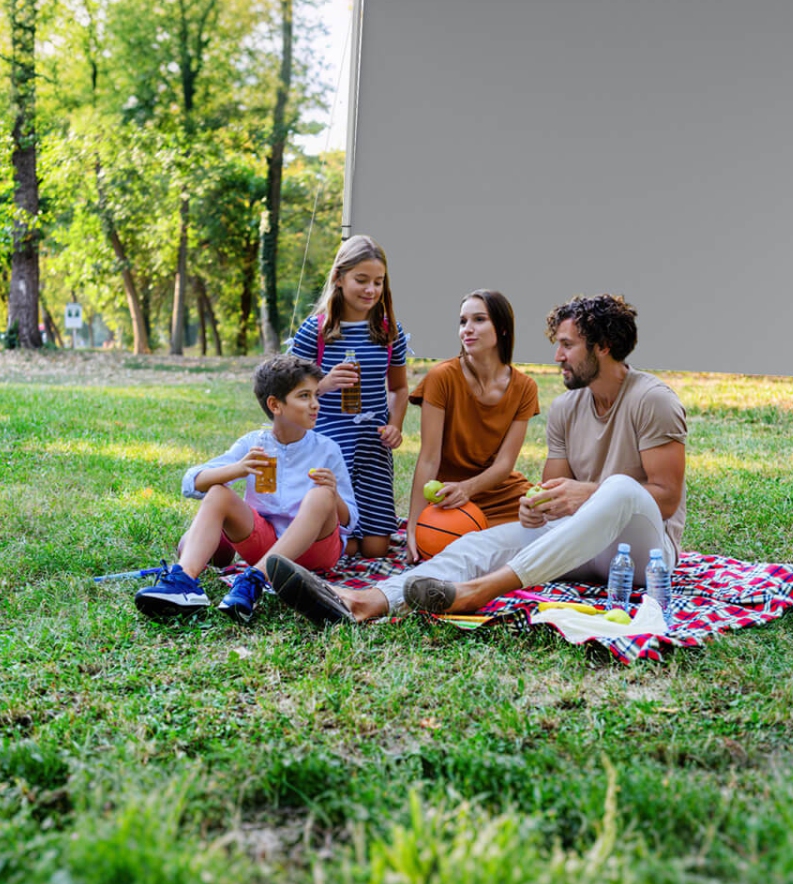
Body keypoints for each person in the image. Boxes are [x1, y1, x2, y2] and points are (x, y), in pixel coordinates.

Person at [265, 293, 685, 627]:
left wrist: (587, 494)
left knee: (619, 489)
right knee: (476, 542)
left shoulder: (652, 400)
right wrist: (534, 507)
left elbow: (664, 499)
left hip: (644, 556)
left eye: (567, 345)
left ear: (604, 347)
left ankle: (477, 592)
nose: (557, 356)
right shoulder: (566, 408)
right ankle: (366, 601)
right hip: (578, 548)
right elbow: (552, 494)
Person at [133, 354, 356, 624]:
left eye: (315, 395)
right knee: (218, 492)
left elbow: (350, 520)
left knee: (321, 494)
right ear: (275, 405)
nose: (315, 404)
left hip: (314, 553)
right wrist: (237, 469)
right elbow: (190, 482)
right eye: (304, 396)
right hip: (262, 545)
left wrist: (334, 495)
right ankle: (184, 581)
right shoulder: (254, 443)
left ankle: (254, 579)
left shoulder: (327, 449)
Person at [288, 235, 409, 558]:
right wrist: (322, 385)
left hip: (372, 444)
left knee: (375, 548)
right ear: (339, 279)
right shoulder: (316, 331)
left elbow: (398, 389)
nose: (371, 290)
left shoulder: (388, 332)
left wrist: (395, 425)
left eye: (378, 282)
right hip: (329, 443)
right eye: (362, 280)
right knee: (346, 544)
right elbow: (288, 392)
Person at [403, 289, 540, 556]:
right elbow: (429, 458)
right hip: (449, 495)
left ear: (501, 328)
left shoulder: (525, 387)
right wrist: (414, 527)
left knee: (547, 521)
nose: (467, 329)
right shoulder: (441, 377)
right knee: (454, 547)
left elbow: (504, 465)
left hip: (498, 491)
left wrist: (470, 488)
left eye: (478, 320)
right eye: (463, 321)